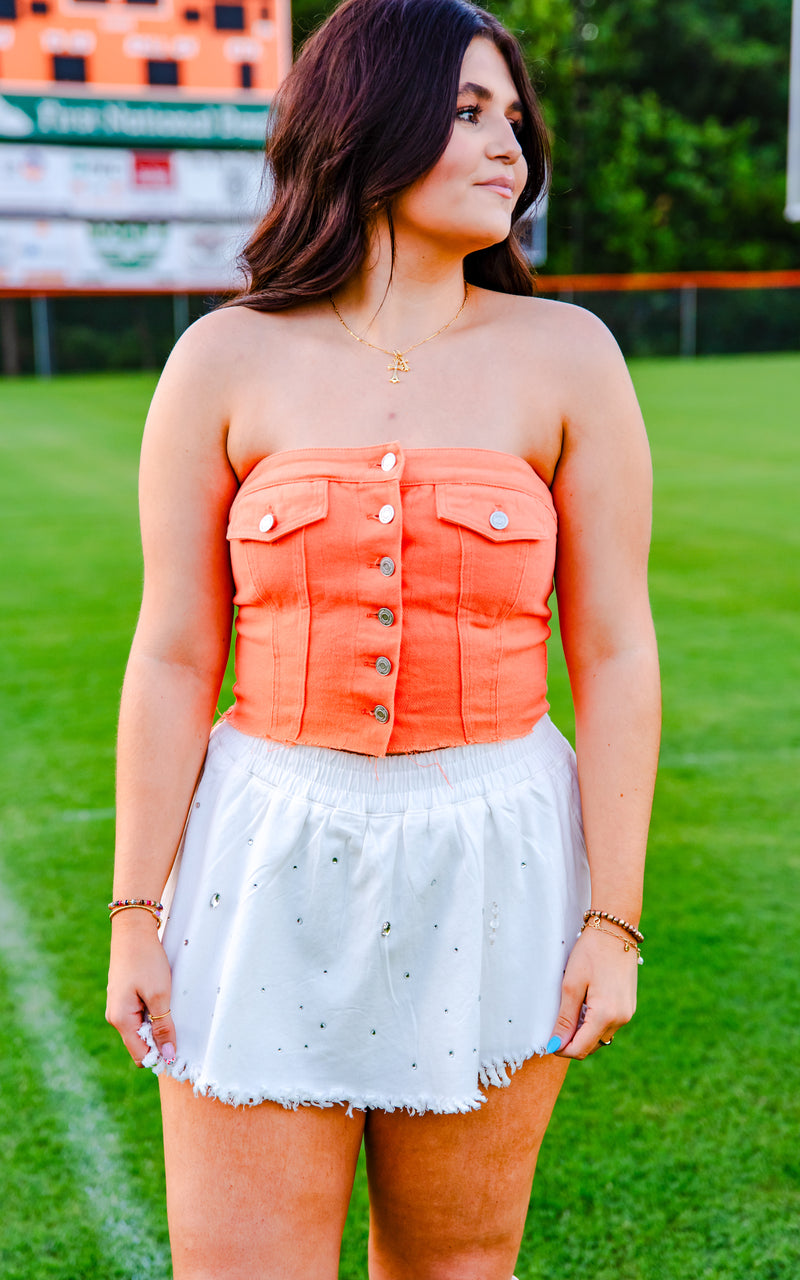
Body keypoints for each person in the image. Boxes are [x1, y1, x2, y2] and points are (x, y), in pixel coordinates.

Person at [105, 0, 660, 1275]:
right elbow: (176, 651)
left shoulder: (569, 355)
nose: (506, 146)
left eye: (513, 118)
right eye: (466, 111)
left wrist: (610, 921)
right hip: (263, 853)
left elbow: (617, 651)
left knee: (456, 1266)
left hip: (500, 855)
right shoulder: (220, 359)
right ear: (362, 120)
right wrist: (139, 908)